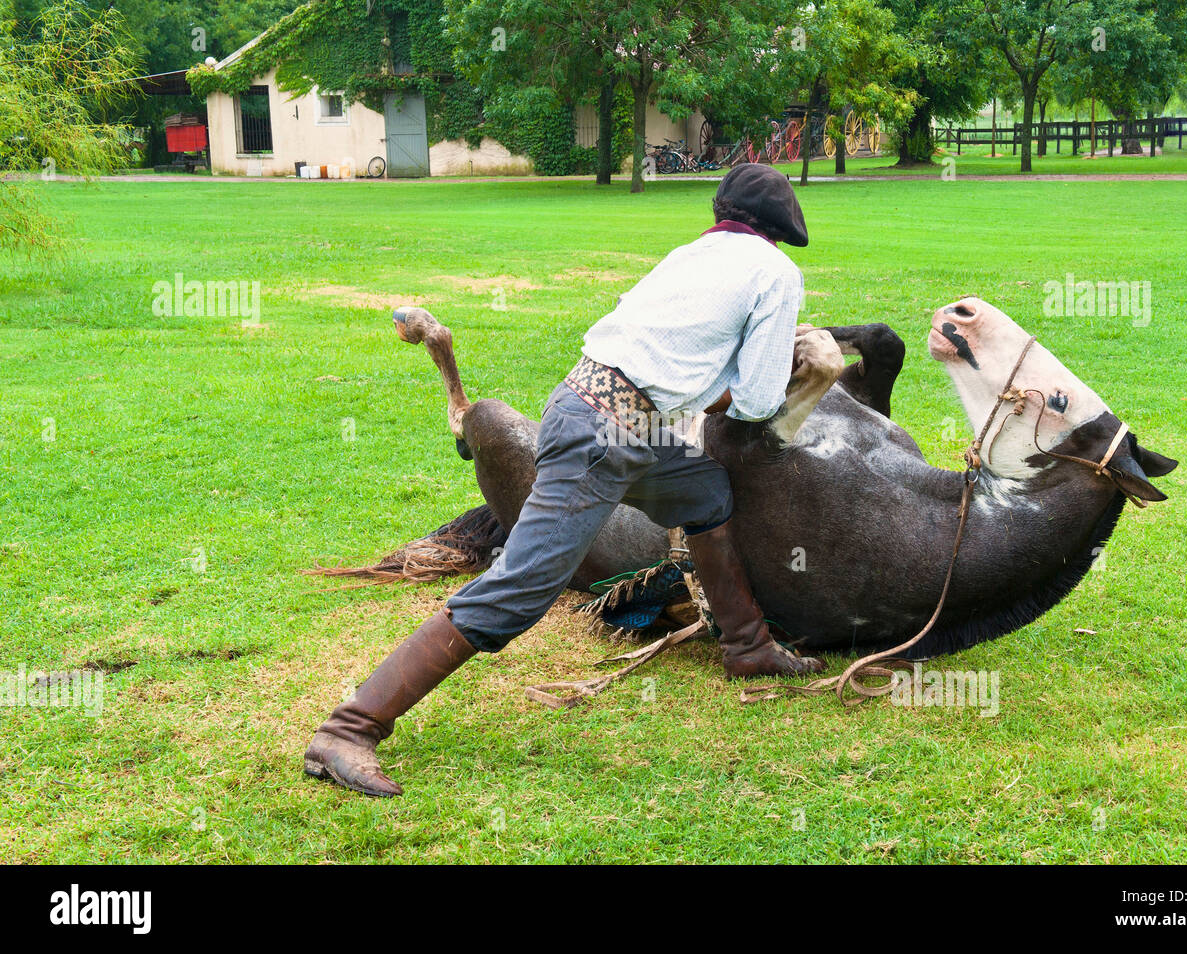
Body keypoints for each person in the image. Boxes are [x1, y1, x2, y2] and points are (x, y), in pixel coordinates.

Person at [305, 164, 826, 797]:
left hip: (594, 413)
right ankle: (349, 728)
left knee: (705, 490)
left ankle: (747, 645)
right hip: (603, 437)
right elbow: (759, 399)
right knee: (521, 588)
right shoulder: (776, 273)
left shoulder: (695, 253)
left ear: (724, 214)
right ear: (779, 231)